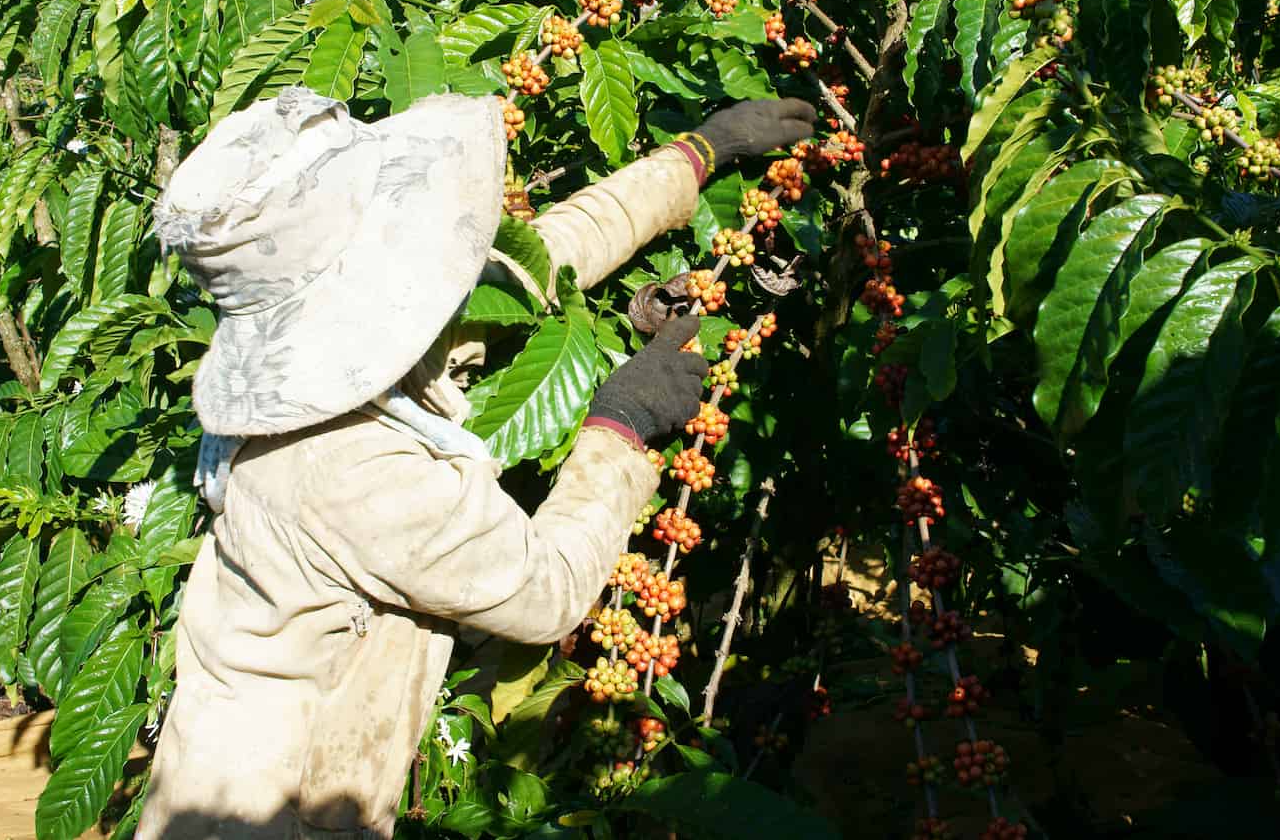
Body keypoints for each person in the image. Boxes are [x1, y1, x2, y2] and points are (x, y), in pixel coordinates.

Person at [136, 85, 817, 838]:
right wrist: (619, 425)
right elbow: (547, 588)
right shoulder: (345, 467)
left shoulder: (339, 349)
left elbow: (539, 261)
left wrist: (695, 155)